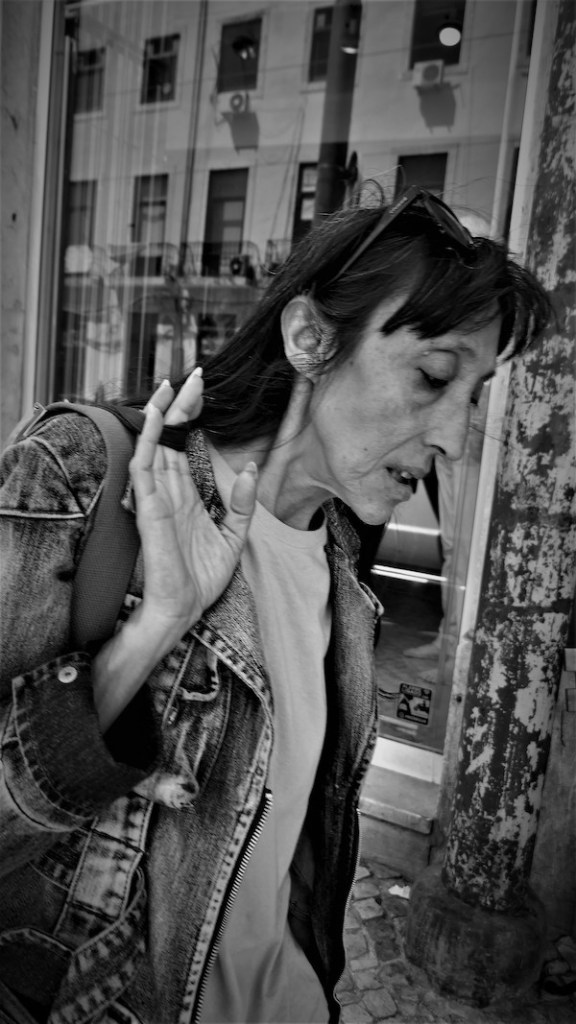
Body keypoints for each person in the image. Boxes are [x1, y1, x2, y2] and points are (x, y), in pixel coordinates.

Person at [0, 184, 551, 1024]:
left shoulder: (344, 562)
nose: (452, 436)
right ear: (309, 339)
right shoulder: (85, 479)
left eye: (471, 395)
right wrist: (154, 627)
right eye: (433, 375)